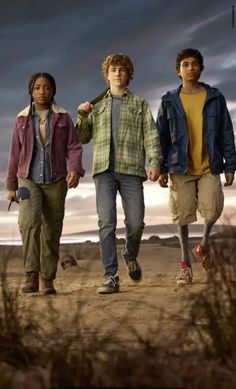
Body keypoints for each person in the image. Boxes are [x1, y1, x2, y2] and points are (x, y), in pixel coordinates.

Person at [76, 53, 162, 294]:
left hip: (132, 170)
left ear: (128, 74)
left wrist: (154, 161)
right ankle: (110, 276)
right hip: (103, 171)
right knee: (106, 223)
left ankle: (130, 254)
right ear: (107, 75)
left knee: (136, 222)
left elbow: (151, 136)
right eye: (113, 70)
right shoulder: (97, 106)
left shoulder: (140, 104)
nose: (118, 73)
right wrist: (81, 116)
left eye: (122, 70)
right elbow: (82, 138)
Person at [156, 48, 236, 285]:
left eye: (194, 64)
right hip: (179, 167)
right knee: (182, 215)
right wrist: (160, 167)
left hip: (209, 165)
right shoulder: (168, 100)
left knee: (212, 211)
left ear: (201, 68)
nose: (190, 68)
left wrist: (230, 165)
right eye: (185, 64)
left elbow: (226, 132)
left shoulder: (215, 97)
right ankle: (185, 265)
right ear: (178, 70)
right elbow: (160, 136)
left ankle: (202, 247)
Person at [6, 72, 85, 295]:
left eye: (47, 87)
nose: (43, 92)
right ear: (31, 91)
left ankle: (47, 279)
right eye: (38, 87)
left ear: (53, 91)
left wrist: (74, 169)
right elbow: (14, 153)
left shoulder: (63, 117)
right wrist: (11, 185)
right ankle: (31, 275)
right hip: (27, 180)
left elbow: (74, 147)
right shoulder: (21, 119)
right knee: (29, 223)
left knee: (51, 229)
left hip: (56, 180)